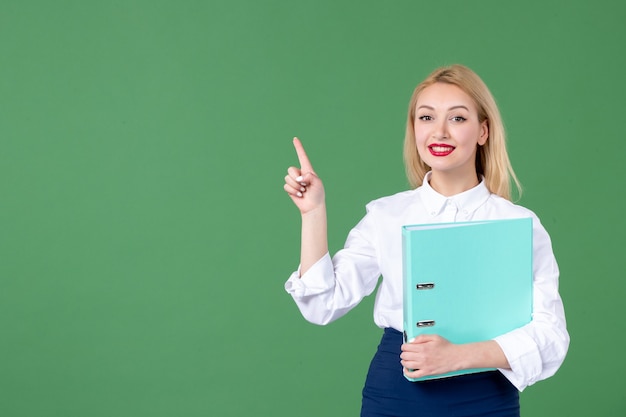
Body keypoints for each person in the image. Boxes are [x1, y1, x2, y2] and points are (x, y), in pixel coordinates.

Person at [282, 64, 569, 417]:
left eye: (458, 118)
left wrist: (459, 355)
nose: (440, 132)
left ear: (483, 131)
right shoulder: (386, 216)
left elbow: (551, 337)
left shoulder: (518, 225)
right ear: (414, 129)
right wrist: (313, 214)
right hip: (396, 393)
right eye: (426, 117)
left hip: (485, 395)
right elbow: (322, 304)